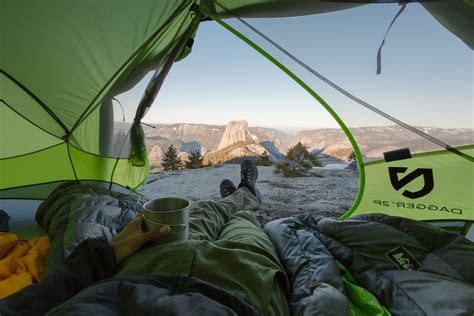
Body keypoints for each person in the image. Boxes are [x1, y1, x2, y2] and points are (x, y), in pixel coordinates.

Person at [0, 159, 290, 315]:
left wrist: (109, 252)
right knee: (245, 227)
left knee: (203, 213)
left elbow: (43, 296)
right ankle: (245, 202)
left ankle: (242, 196)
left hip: (137, 275)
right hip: (240, 295)